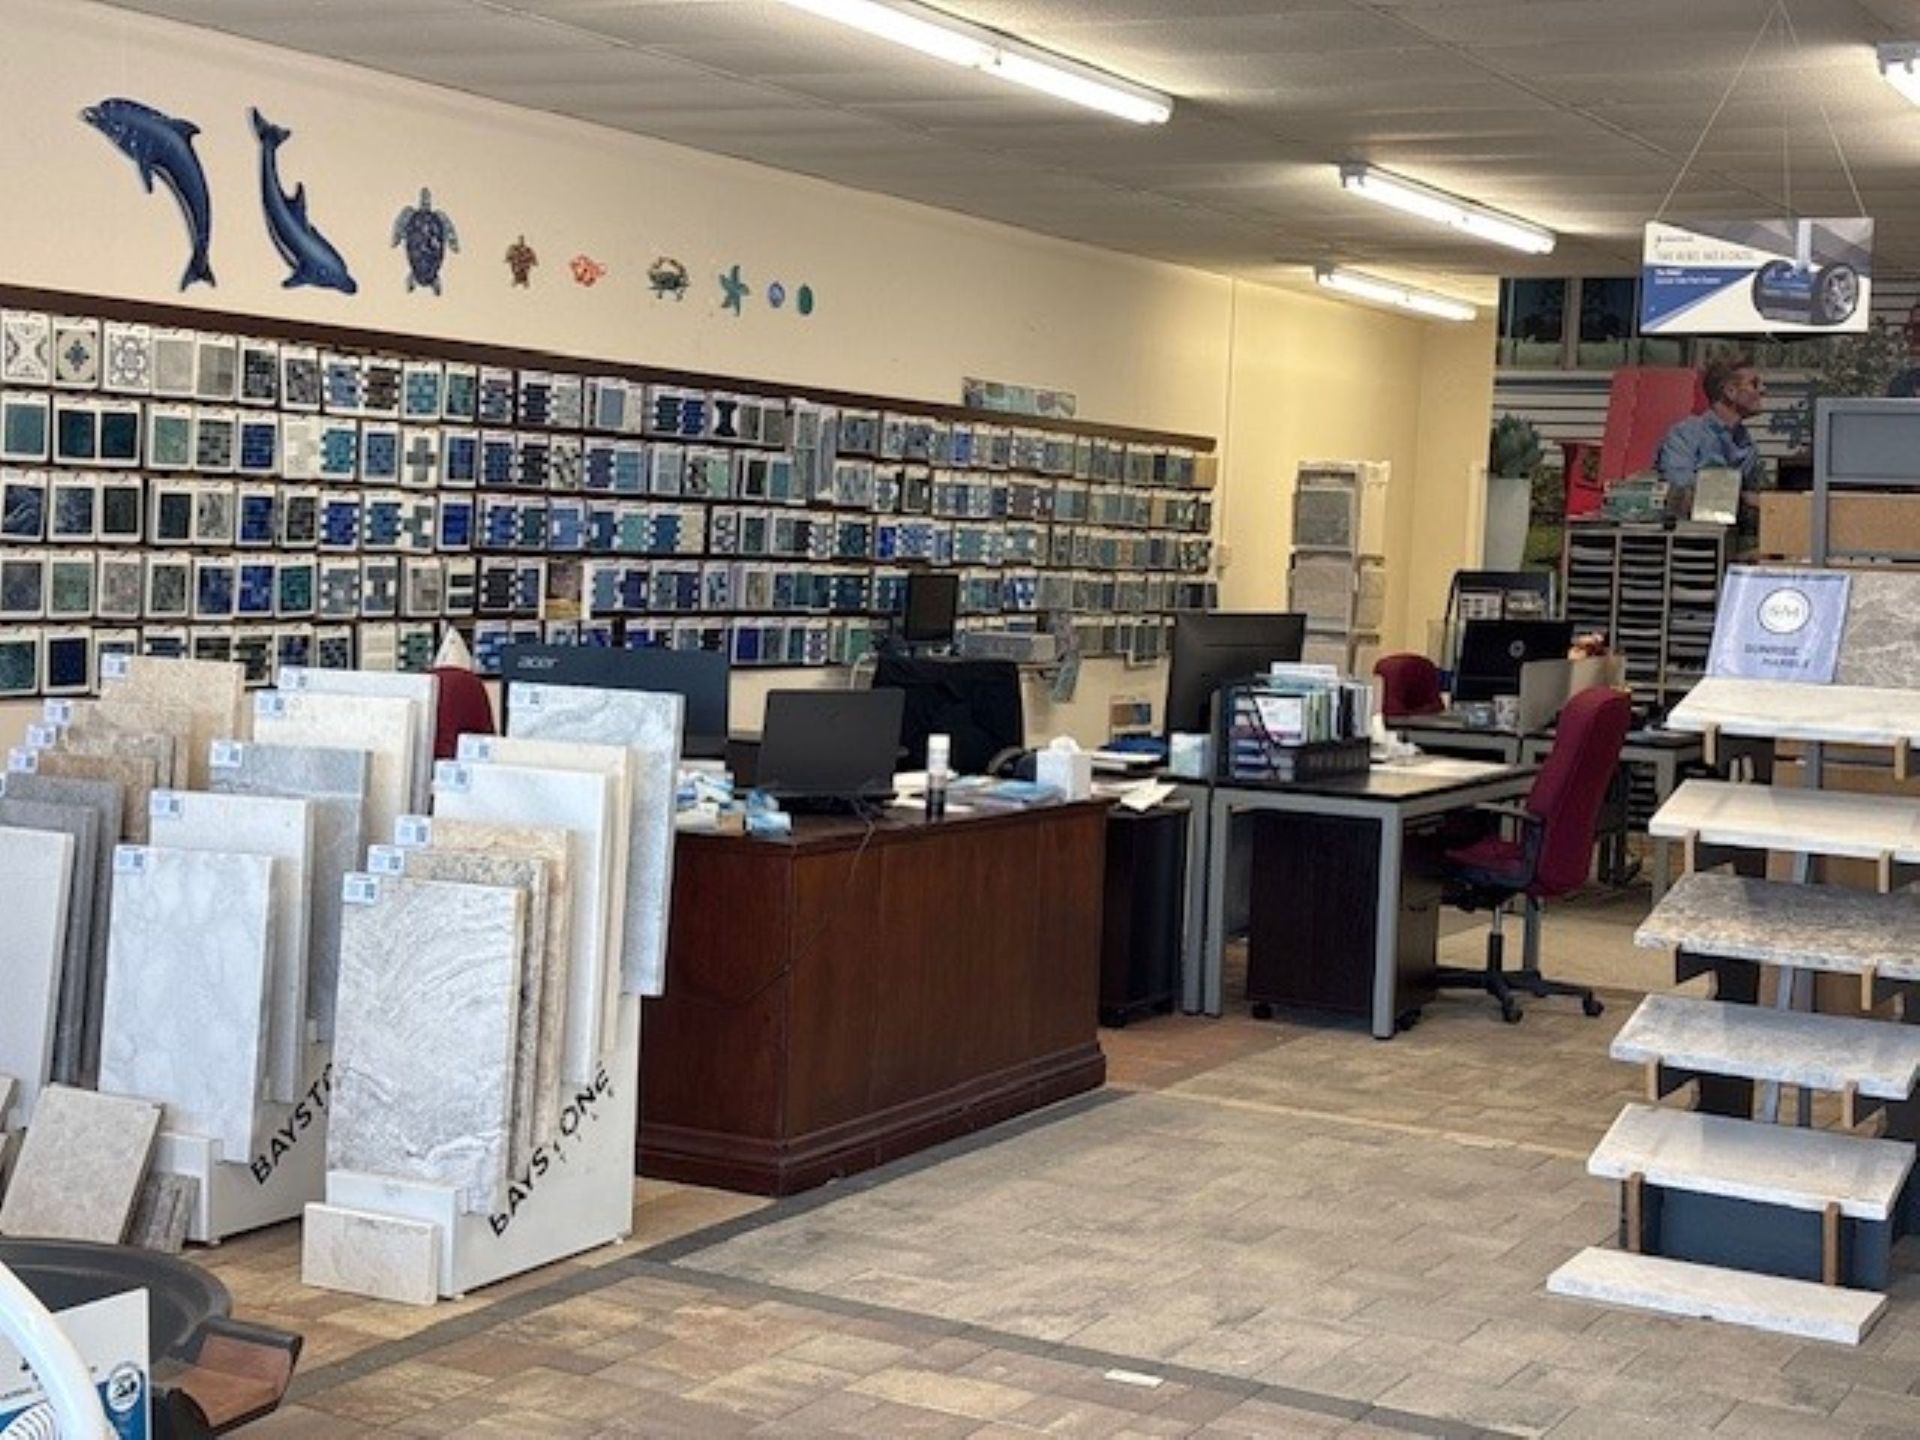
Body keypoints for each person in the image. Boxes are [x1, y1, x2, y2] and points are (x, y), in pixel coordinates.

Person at [1654, 353, 1766, 512]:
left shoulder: (1747, 444)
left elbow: (1756, 493)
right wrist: (1743, 498)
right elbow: (1679, 489)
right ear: (1730, 391)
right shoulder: (1686, 435)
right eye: (1754, 384)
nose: (1763, 390)